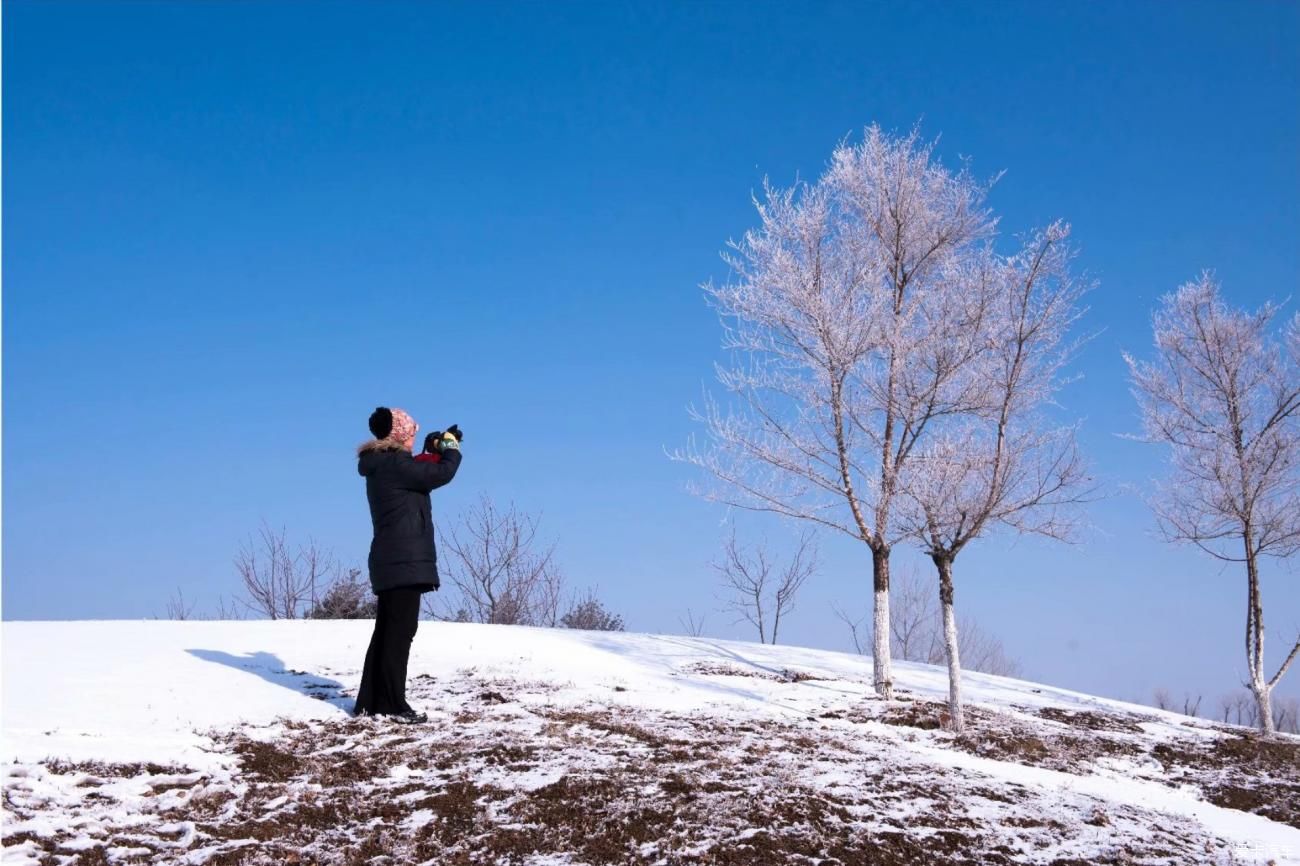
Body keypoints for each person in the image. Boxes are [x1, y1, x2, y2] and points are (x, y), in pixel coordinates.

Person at [354, 407, 462, 723]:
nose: (415, 434)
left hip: (392, 560)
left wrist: (431, 450)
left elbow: (419, 471)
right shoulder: (394, 465)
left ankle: (371, 702)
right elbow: (440, 474)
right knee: (399, 633)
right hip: (402, 561)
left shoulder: (385, 464)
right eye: (412, 430)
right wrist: (451, 449)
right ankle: (390, 704)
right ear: (399, 434)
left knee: (388, 631)